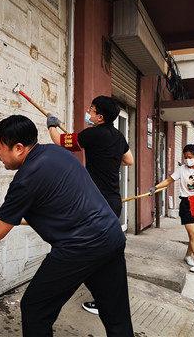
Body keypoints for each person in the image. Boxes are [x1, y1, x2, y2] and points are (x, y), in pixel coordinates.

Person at [0, 115, 133, 337]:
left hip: (79, 247)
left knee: (34, 307)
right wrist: (0, 220)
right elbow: (54, 206)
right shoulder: (57, 152)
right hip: (111, 237)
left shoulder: (25, 180)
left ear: (19, 148)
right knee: (116, 315)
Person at [46, 96, 133, 315]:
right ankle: (108, 298)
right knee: (109, 250)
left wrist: (51, 124)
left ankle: (102, 299)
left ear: (100, 116)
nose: (88, 112)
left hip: (95, 203)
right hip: (113, 201)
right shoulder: (118, 136)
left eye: (91, 110)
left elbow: (61, 141)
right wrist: (109, 157)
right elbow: (129, 160)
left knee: (89, 249)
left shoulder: (92, 134)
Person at [153, 144, 194, 273]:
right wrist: (155, 188)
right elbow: (168, 181)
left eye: (190, 157)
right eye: (185, 157)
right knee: (193, 234)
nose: (187, 159)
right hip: (187, 203)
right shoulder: (181, 169)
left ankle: (188, 255)